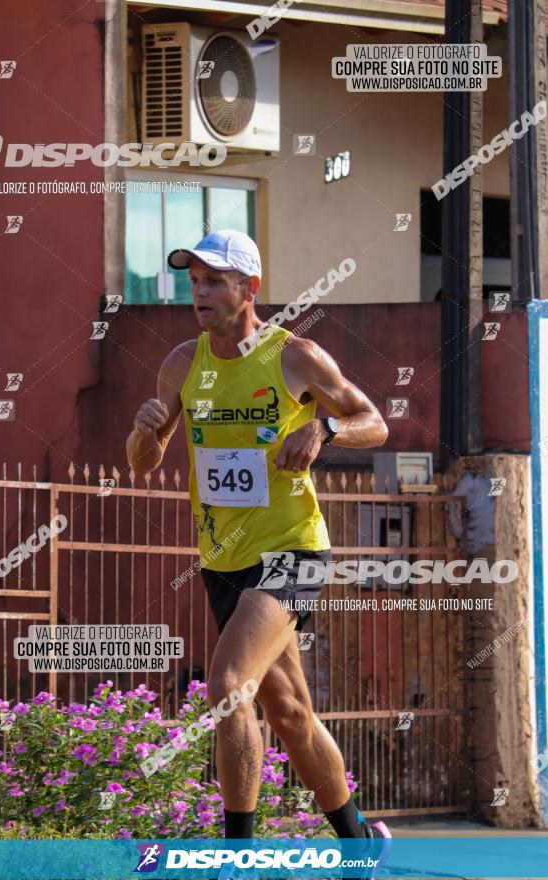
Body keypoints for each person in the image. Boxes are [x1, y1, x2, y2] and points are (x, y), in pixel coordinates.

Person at [126, 229, 391, 854]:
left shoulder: (294, 356)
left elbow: (373, 421)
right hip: (223, 559)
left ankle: (236, 856)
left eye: (214, 280)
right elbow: (143, 462)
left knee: (226, 687)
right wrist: (144, 432)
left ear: (250, 288)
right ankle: (359, 843)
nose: (200, 292)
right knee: (293, 715)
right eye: (193, 281)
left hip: (293, 550)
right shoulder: (182, 365)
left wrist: (323, 430)